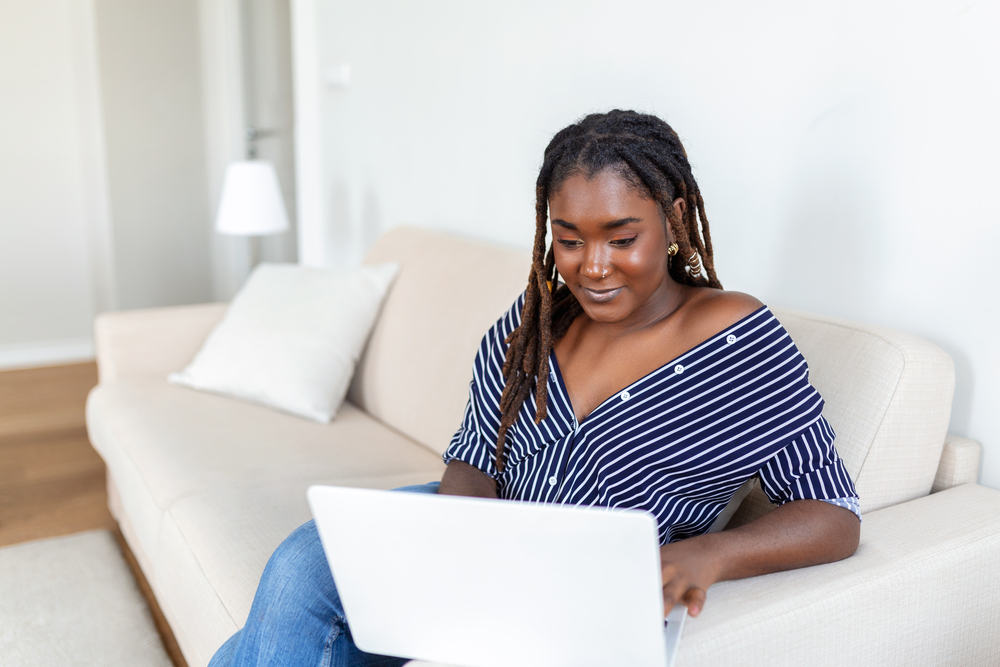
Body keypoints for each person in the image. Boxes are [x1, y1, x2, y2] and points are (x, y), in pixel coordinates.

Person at [209, 110, 860, 667]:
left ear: (676, 219)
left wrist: (709, 553)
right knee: (300, 566)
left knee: (253, 646)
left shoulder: (737, 339)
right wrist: (461, 549)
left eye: (622, 237)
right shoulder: (535, 326)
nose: (593, 266)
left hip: (582, 588)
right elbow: (472, 458)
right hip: (482, 546)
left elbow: (830, 512)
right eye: (569, 239)